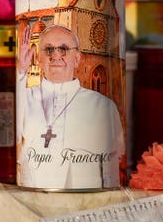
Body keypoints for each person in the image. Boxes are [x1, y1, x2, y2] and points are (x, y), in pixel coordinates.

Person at [16, 24, 125, 189]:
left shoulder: (104, 107)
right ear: (39, 58)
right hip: (32, 197)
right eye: (49, 49)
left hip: (85, 202)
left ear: (77, 59)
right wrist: (20, 70)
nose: (56, 55)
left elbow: (113, 164)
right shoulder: (24, 98)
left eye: (64, 49)